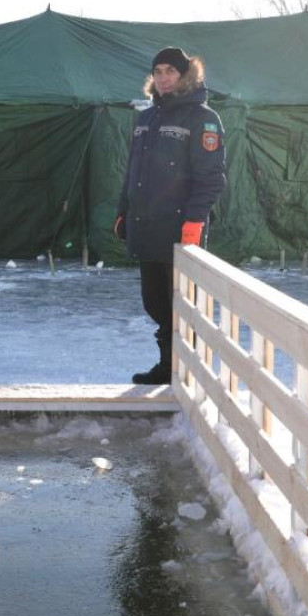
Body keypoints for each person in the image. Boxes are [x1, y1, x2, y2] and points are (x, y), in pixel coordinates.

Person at [115, 47, 227, 385]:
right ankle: (169, 366)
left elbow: (211, 178)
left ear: (185, 75)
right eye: (158, 71)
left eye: (171, 71)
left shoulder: (202, 118)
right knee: (155, 303)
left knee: (184, 302)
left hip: (180, 227)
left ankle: (190, 371)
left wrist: (194, 221)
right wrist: (123, 211)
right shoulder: (146, 118)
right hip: (146, 226)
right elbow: (133, 172)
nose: (163, 78)